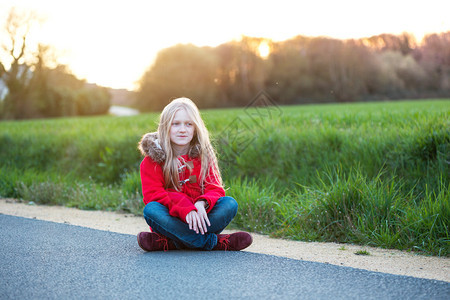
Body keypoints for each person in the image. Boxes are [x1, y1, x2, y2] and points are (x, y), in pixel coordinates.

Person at [137, 97, 253, 251]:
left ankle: (172, 242)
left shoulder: (204, 156)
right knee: (151, 210)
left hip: (200, 218)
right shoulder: (152, 161)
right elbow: (154, 195)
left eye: (188, 124)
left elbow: (215, 189)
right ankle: (214, 242)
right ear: (166, 127)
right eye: (175, 124)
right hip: (172, 220)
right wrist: (185, 209)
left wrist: (201, 204)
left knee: (229, 204)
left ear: (195, 128)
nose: (183, 129)